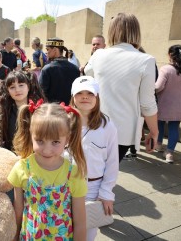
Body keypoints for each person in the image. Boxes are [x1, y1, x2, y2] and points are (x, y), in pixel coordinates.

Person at [85, 13, 158, 162]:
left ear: (111, 32)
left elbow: (88, 73)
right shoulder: (146, 60)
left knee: (92, 171)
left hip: (95, 124)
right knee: (107, 173)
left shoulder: (98, 55)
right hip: (123, 132)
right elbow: (147, 103)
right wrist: (154, 131)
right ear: (136, 32)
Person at [8, 102, 87, 240]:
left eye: (55, 142)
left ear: (67, 139)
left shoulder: (73, 174)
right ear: (31, 135)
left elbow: (80, 223)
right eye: (40, 141)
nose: (47, 149)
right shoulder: (22, 168)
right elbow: (18, 213)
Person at [69, 76, 119, 241]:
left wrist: (106, 194)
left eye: (90, 93)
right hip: (65, 187)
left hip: (93, 188)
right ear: (73, 97)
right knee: (65, 229)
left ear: (97, 97)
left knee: (87, 233)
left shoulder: (107, 126)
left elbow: (112, 163)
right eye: (80, 93)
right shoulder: (63, 122)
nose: (85, 97)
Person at [154, 45, 181, 163]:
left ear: (170, 55)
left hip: (166, 102)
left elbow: (158, 87)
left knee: (160, 123)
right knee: (174, 127)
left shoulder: (166, 69)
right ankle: (170, 153)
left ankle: (158, 144)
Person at [0, 70, 44, 150]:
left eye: (21, 85)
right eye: (12, 87)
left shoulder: (39, 107)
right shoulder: (2, 108)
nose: (17, 90)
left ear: (28, 87)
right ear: (8, 90)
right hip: (12, 156)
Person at [39, 37, 79, 105]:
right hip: (70, 111)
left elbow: (40, 93)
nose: (46, 52)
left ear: (55, 50)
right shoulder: (75, 68)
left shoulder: (47, 69)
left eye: (48, 49)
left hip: (52, 111)